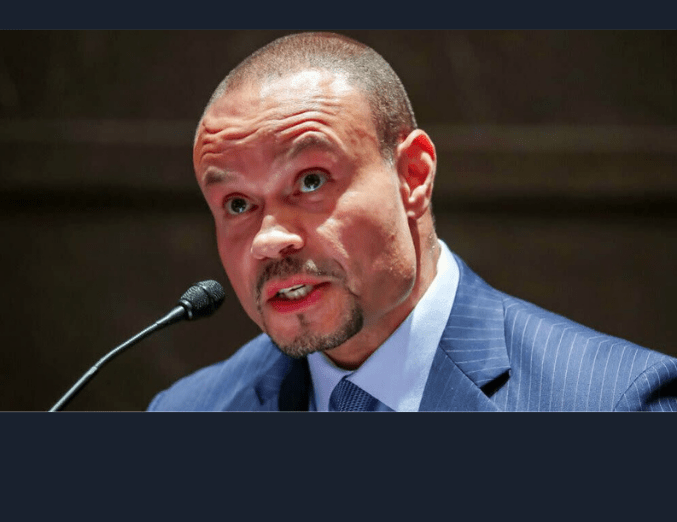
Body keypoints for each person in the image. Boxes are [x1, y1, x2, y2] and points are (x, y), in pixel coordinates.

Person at [147, 32, 677, 412]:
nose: (269, 239)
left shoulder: (611, 400)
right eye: (238, 205)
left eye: (310, 181)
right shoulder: (186, 410)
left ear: (412, 175)